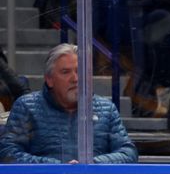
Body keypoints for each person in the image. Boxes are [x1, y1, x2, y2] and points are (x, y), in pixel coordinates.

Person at [0, 44, 138, 164]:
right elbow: (8, 153)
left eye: (80, 72)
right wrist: (58, 167)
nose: (75, 79)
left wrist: (92, 163)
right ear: (49, 79)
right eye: (66, 72)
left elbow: (128, 153)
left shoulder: (107, 109)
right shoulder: (26, 107)